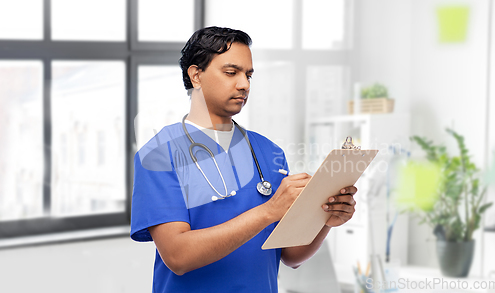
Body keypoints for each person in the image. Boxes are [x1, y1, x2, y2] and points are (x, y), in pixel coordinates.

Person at [130, 26, 357, 293]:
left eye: (248, 75)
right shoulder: (158, 155)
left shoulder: (268, 152)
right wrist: (269, 211)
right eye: (231, 72)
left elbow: (289, 255)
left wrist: (326, 220)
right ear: (196, 76)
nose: (244, 84)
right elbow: (178, 256)